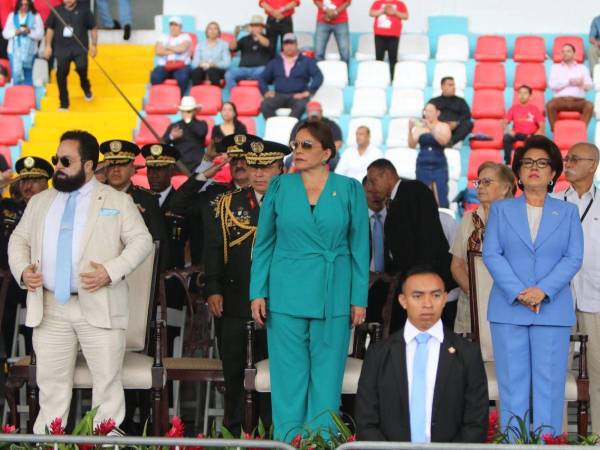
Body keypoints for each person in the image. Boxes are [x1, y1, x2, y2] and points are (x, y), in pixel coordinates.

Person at [8, 130, 153, 434]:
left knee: (107, 386)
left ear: (88, 165)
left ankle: (105, 442)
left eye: (65, 160)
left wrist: (110, 271)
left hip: (99, 302)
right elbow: (18, 240)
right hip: (49, 305)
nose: (58, 166)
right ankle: (51, 442)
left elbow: (142, 242)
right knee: (51, 387)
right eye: (55, 159)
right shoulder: (40, 202)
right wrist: (23, 270)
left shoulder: (116, 200)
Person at [249, 121, 369, 440]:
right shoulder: (279, 186)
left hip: (334, 293)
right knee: (288, 380)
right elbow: (263, 244)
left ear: (326, 153)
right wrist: (257, 292)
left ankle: (322, 444)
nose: (297, 151)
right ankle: (288, 444)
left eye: (306, 145)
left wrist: (359, 298)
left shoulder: (349, 188)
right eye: (295, 144)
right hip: (285, 291)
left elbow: (360, 247)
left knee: (327, 379)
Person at [483, 135, 584, 435]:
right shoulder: (501, 210)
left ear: (554, 172)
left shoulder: (567, 212)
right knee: (512, 386)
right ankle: (514, 443)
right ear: (518, 173)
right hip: (508, 308)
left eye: (542, 163)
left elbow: (573, 257)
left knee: (550, 386)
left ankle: (548, 443)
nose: (534, 168)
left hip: (551, 310)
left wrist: (542, 291)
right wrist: (519, 292)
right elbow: (492, 253)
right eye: (527, 163)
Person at [206, 134, 289, 435]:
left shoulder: (292, 202)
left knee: (275, 376)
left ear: (281, 167)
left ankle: (273, 434)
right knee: (235, 374)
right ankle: (234, 434)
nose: (258, 173)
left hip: (281, 306)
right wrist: (213, 287)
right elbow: (214, 248)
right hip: (235, 300)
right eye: (253, 166)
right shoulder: (229, 203)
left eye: (266, 167)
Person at [356, 267, 489, 442]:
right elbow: (366, 420)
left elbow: (476, 422)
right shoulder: (379, 353)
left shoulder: (468, 353)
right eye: (417, 296)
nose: (427, 304)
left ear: (444, 299)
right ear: (403, 300)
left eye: (435, 295)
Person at [365, 159, 456, 332]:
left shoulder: (414, 190)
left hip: (424, 278)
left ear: (387, 174)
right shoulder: (394, 200)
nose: (370, 187)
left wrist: (421, 278)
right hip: (408, 279)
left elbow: (427, 237)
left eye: (373, 180)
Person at [552, 142, 600, 433]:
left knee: (598, 370)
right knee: (556, 371)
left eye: (575, 159)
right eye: (567, 158)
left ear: (593, 165)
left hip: (596, 295)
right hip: (557, 298)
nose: (567, 162)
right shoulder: (554, 202)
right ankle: (556, 436)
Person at [450, 162, 515, 333]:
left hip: (506, 304)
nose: (480, 187)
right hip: (471, 305)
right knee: (469, 357)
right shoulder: (468, 219)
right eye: (478, 182)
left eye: (487, 182)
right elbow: (456, 265)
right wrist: (474, 293)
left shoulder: (518, 219)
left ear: (505, 188)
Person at [0, 156, 52, 354]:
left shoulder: (55, 209)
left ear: (47, 183)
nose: (28, 186)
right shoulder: (8, 208)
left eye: (35, 181)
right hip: (12, 285)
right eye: (24, 180)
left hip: (45, 285)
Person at [170, 139, 251, 264]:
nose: (239, 165)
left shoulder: (264, 195)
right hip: (214, 273)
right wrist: (204, 174)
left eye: (244, 160)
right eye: (234, 160)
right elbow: (177, 205)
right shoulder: (214, 193)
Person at [100, 139, 168, 268]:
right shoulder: (93, 197)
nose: (115, 170)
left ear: (133, 169)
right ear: (104, 169)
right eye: (111, 165)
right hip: (98, 266)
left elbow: (158, 242)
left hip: (137, 270)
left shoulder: (148, 199)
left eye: (122, 165)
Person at [141, 143, 188, 272]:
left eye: (160, 169)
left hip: (173, 276)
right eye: (150, 169)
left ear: (171, 170)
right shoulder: (137, 200)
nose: (153, 174)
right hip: (142, 274)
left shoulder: (183, 203)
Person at [43, 0, 97, 111]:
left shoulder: (84, 10)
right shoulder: (56, 11)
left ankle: (85, 86)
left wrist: (94, 45)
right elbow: (50, 29)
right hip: (62, 49)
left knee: (82, 68)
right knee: (61, 74)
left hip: (79, 48)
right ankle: (64, 103)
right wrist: (48, 46)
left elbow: (93, 27)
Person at [259, 32, 323, 119]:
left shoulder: (306, 61)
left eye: (291, 43)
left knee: (301, 105)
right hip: (279, 95)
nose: (289, 46)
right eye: (286, 44)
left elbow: (318, 76)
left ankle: (290, 128)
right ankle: (275, 127)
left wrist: (307, 92)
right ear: (283, 46)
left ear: (296, 45)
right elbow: (262, 78)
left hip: (298, 96)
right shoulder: (275, 62)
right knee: (265, 104)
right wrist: (265, 92)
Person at [408, 102, 453, 208]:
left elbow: (444, 141)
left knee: (440, 196)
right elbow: (411, 145)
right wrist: (410, 130)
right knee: (423, 196)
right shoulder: (420, 128)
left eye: (430, 111)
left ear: (437, 113)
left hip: (439, 165)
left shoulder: (443, 126)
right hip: (423, 165)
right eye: (426, 111)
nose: (427, 114)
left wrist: (431, 127)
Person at [546, 43, 593, 131]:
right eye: (563, 51)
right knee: (550, 105)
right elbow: (552, 85)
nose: (565, 53)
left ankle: (581, 130)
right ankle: (556, 131)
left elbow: (589, 87)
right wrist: (569, 81)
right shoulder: (555, 68)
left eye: (568, 51)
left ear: (574, 53)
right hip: (560, 101)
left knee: (589, 105)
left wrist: (582, 83)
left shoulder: (582, 68)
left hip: (578, 101)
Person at [363, 175, 388, 324]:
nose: (375, 195)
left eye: (378, 191)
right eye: (370, 191)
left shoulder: (396, 217)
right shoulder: (353, 219)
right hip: (362, 283)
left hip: (388, 284)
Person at [2, 0, 44, 85]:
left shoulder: (36, 16)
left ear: (30, 5)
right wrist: (15, 32)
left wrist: (29, 32)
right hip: (14, 52)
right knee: (16, 74)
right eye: (21, 4)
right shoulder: (12, 16)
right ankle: (16, 95)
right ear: (18, 5)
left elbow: (40, 35)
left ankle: (28, 96)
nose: (24, 7)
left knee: (28, 74)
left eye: (26, 5)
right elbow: (5, 34)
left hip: (30, 52)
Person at [225, 15, 272, 89]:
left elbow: (266, 43)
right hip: (243, 69)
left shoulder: (268, 38)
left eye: (257, 26)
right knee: (229, 74)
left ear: (262, 27)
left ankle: (262, 95)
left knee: (265, 71)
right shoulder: (244, 39)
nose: (254, 27)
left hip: (259, 69)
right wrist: (235, 36)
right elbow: (232, 48)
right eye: (253, 26)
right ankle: (236, 93)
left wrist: (256, 33)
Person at [163, 96, 208, 172]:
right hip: (179, 164)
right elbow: (162, 143)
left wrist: (189, 120)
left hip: (197, 164)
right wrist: (171, 137)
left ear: (195, 111)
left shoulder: (202, 124)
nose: (186, 113)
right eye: (183, 111)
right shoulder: (175, 126)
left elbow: (201, 133)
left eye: (189, 111)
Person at [502, 85, 545, 164]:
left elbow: (542, 125)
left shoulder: (534, 109)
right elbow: (504, 123)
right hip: (517, 134)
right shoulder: (514, 108)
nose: (522, 95)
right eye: (520, 93)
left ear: (530, 96)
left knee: (536, 140)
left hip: (530, 135)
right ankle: (507, 162)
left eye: (525, 93)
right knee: (506, 137)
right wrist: (509, 130)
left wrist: (537, 134)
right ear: (518, 95)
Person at [149, 16, 192, 95]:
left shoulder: (186, 36)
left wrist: (166, 48)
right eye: (171, 25)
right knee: (155, 77)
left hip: (181, 66)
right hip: (164, 66)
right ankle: (160, 98)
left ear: (180, 27)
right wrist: (175, 50)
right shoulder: (163, 37)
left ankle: (178, 98)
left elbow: (181, 49)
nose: (173, 27)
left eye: (176, 25)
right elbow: (158, 51)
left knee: (183, 78)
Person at [369, 0, 408, 80]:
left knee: (393, 59)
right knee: (379, 59)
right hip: (379, 35)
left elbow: (406, 16)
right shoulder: (378, 3)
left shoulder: (400, 4)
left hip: (394, 36)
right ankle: (379, 78)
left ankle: (393, 79)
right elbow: (371, 13)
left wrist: (395, 12)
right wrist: (383, 10)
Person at [430, 77, 473, 147]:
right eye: (450, 85)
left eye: (454, 85)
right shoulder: (434, 101)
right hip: (439, 128)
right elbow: (427, 114)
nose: (453, 87)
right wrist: (442, 125)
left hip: (455, 129)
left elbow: (467, 115)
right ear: (442, 87)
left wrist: (457, 123)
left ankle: (450, 143)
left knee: (469, 124)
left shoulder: (461, 101)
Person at [190, 21, 231, 87]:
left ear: (218, 32)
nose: (213, 31)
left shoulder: (224, 44)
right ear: (207, 32)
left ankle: (216, 94)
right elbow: (194, 63)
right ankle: (197, 94)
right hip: (203, 69)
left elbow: (227, 63)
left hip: (217, 70)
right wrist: (200, 64)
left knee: (212, 71)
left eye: (215, 28)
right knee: (196, 72)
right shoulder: (200, 45)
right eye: (210, 29)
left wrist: (215, 65)